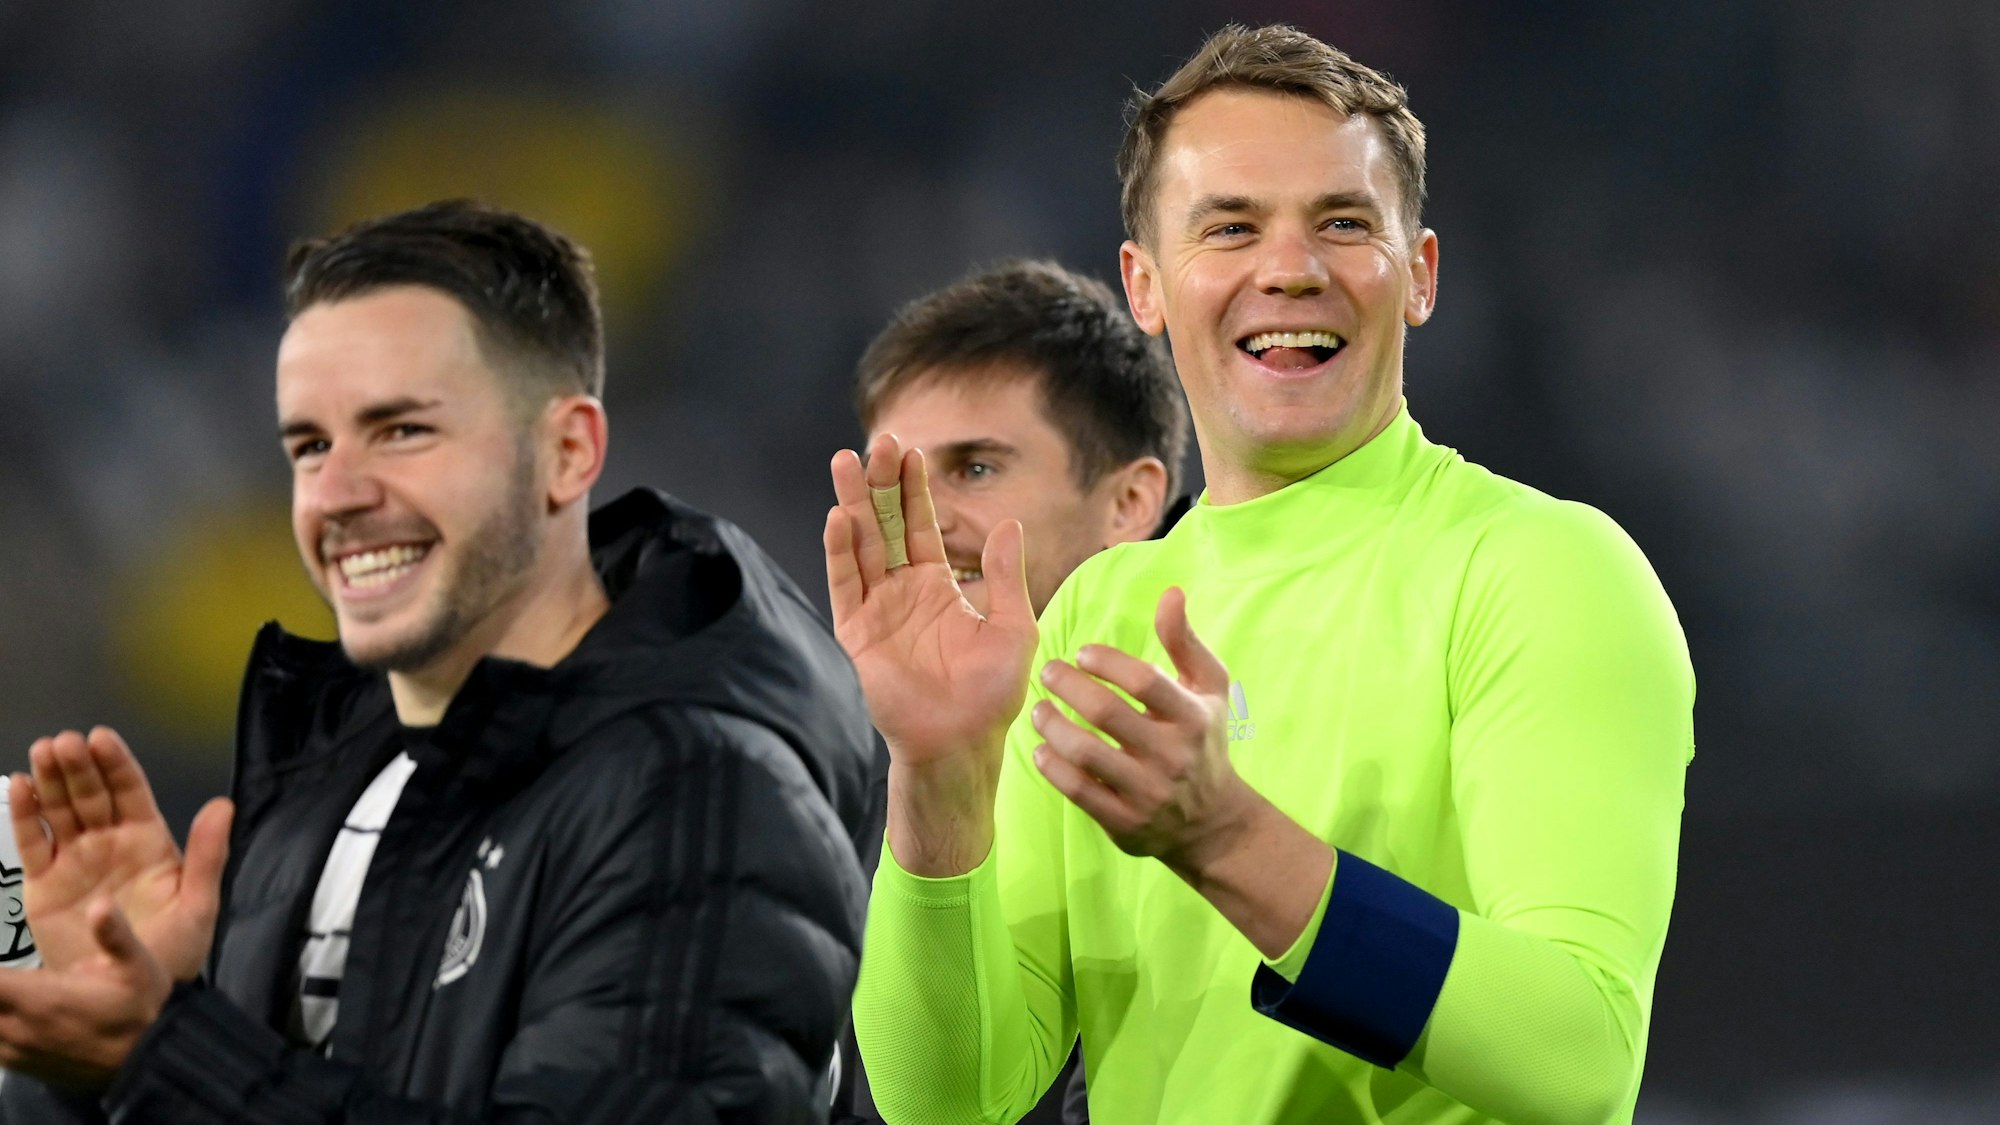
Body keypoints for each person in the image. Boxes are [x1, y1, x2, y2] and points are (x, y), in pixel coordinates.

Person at [828, 24, 1694, 1125]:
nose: (1288, 269)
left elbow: (1577, 1060)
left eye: (1342, 223)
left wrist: (1229, 838)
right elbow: (948, 1103)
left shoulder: (1541, 571)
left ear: (1416, 276)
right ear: (1144, 288)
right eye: (1228, 228)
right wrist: (939, 774)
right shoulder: (1099, 612)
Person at [0, 200, 877, 1123]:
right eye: (309, 446)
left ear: (568, 450)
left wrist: (164, 1056)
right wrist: (90, 1061)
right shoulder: (322, 798)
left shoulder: (700, 790)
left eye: (402, 431)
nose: (337, 494)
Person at [839, 259, 1189, 1125]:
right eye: (904, 482)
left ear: (1131, 501)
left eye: (978, 469)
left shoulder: (1223, 740)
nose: (930, 517)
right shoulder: (849, 781)